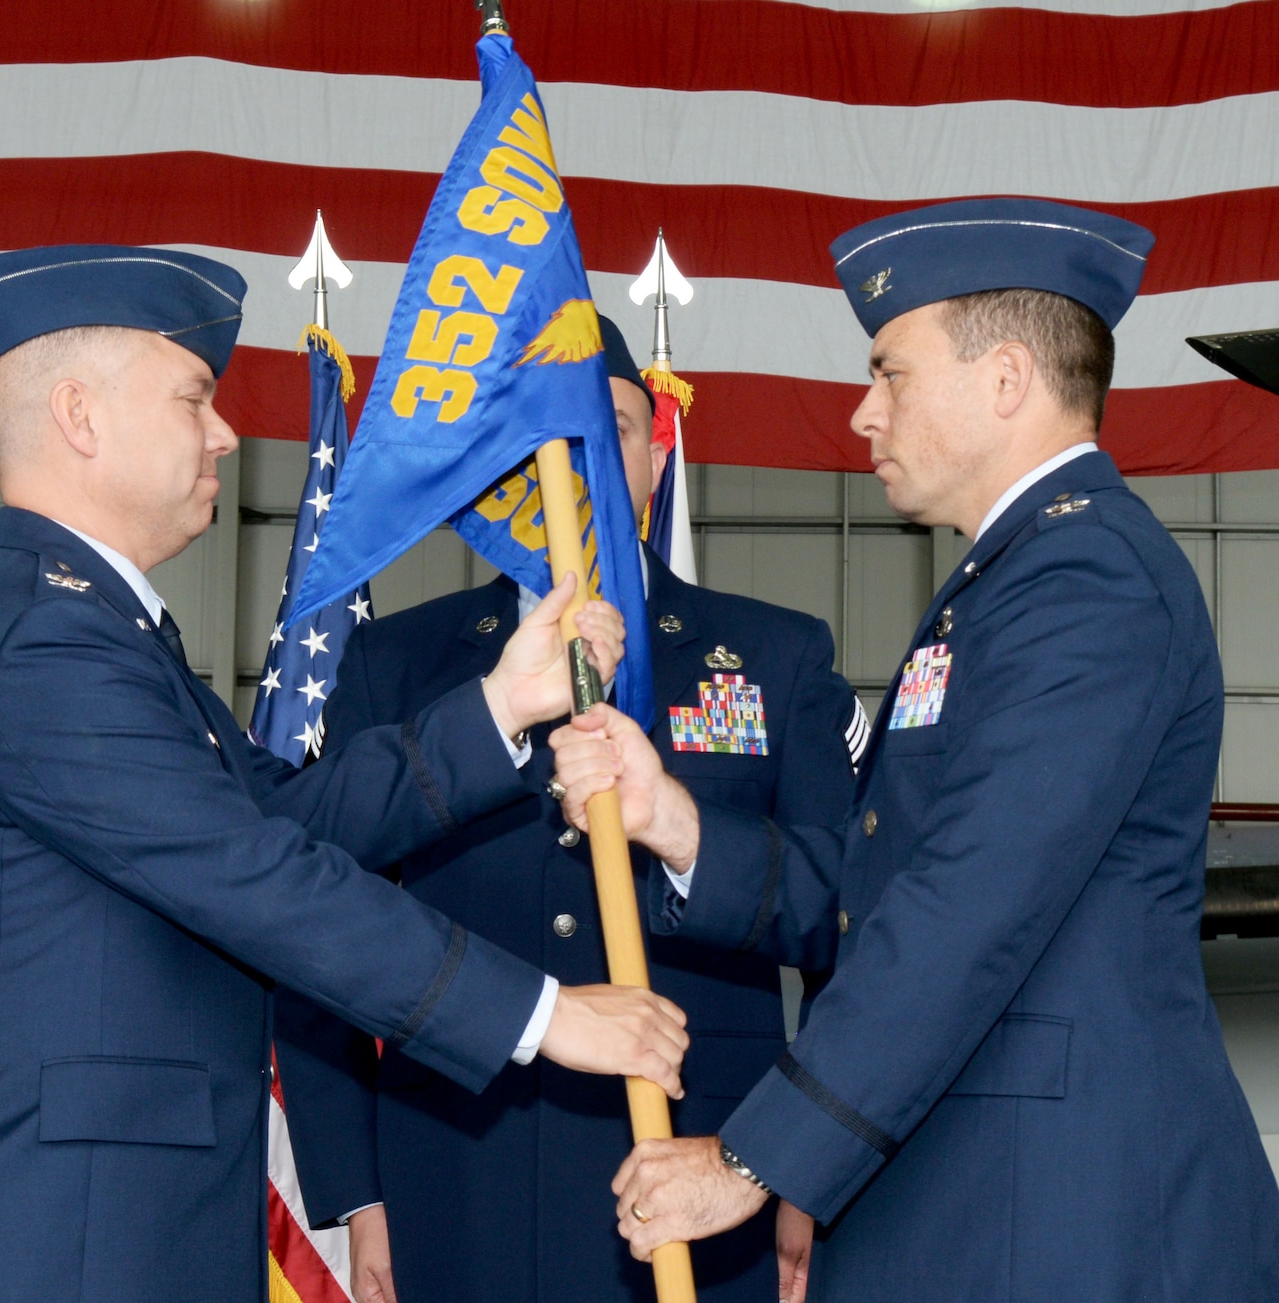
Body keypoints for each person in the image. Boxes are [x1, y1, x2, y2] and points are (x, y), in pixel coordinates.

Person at [0, 246, 690, 1303]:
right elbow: (260, 880)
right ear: (79, 417)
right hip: (51, 1245)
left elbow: (284, 821)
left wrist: (500, 705)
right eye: (193, 396)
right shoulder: (51, 647)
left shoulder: (97, 629)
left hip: (115, 1233)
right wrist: (545, 1016)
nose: (225, 430)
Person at [549, 201, 1279, 1301]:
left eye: (889, 372)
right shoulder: (1007, 585)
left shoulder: (1086, 583)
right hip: (980, 1205)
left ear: (1003, 381)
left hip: (1057, 1221)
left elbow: (970, 901)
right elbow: (882, 889)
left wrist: (755, 1157)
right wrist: (673, 819)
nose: (861, 412)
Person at [274, 315, 862, 1303]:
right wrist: (354, 1187)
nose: (586, 460)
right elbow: (311, 922)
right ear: (503, 462)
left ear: (653, 452)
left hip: (700, 1180)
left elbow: (844, 933)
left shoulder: (771, 656)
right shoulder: (395, 667)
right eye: (553, 436)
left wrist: (800, 1163)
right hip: (451, 1178)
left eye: (617, 428)